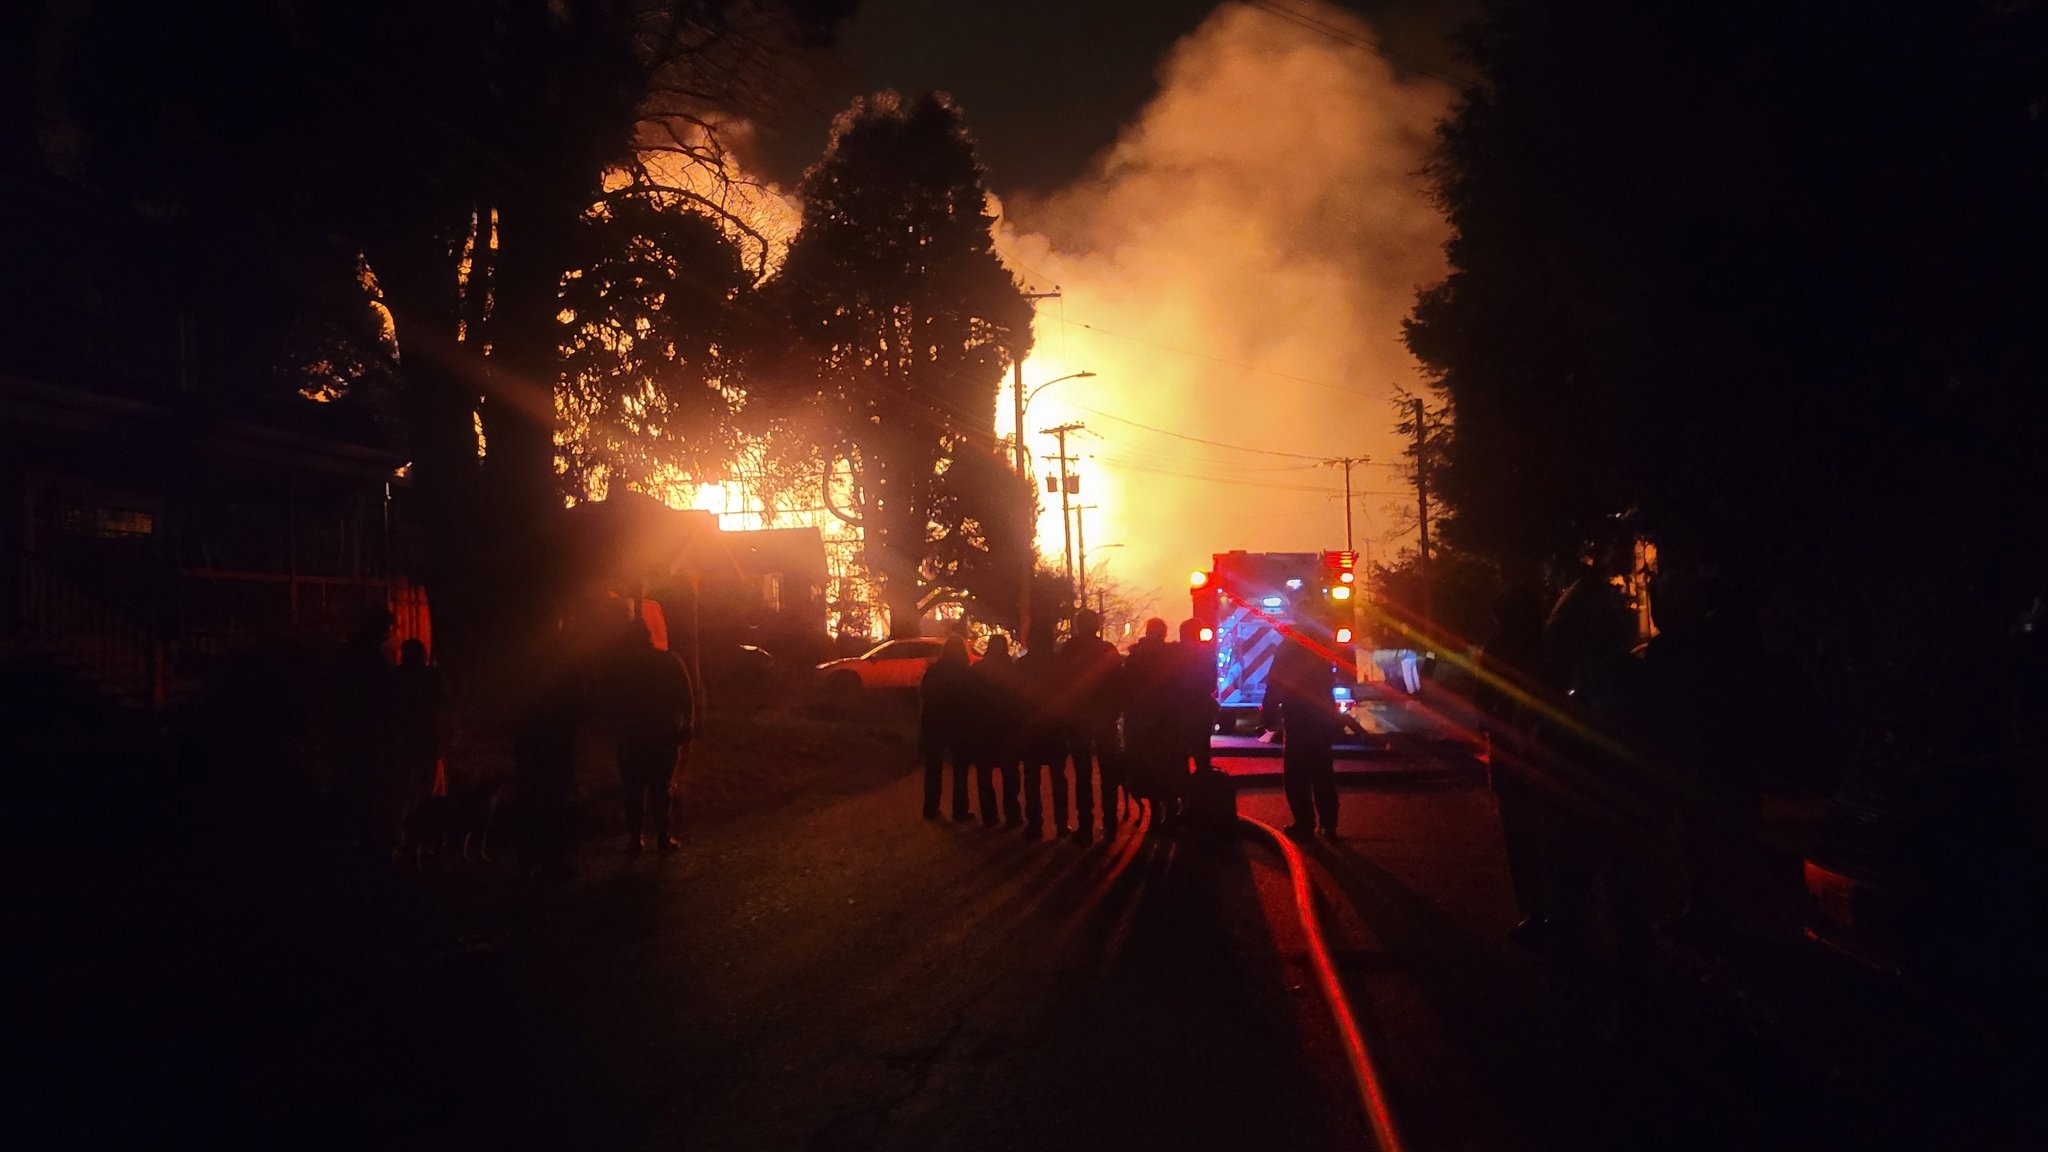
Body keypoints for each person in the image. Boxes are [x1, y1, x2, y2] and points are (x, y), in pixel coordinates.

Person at [1260, 613, 1360, 837]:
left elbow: (1276, 681)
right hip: (1320, 715)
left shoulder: (1287, 648)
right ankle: (1328, 824)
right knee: (1322, 771)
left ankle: (1304, 824)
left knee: (1296, 774)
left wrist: (1267, 713)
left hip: (1297, 717)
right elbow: (1341, 671)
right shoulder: (1320, 648)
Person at [606, 616, 695, 855]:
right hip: (662, 732)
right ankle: (663, 837)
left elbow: (608, 701)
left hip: (632, 735)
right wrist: (687, 725)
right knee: (661, 786)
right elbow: (685, 697)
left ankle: (636, 838)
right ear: (649, 637)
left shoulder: (618, 665)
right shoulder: (668, 661)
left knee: (633, 789)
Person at [514, 627, 584, 879]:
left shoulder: (522, 661)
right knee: (553, 800)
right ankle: (549, 860)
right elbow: (581, 702)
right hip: (553, 740)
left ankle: (530, 860)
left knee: (532, 799)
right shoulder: (565, 663)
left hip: (531, 741)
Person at [1054, 609, 1124, 846]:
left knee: (1082, 775)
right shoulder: (1108, 650)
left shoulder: (1069, 650)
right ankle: (1110, 826)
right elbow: (1118, 685)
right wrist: (1115, 713)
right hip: (1104, 720)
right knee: (1108, 775)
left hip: (1078, 720)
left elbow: (1062, 683)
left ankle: (1085, 827)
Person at [1119, 618, 1182, 832]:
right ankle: (1172, 811)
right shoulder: (1171, 656)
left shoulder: (1135, 657)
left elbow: (1126, 688)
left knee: (1148, 766)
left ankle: (1155, 813)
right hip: (1167, 719)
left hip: (1141, 720)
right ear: (1163, 634)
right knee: (1168, 765)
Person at [386, 638, 443, 858]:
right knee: (416, 796)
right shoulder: (427, 678)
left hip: (411, 745)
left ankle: (410, 842)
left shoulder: (398, 678)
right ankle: (411, 843)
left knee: (408, 796)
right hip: (417, 745)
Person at [1013, 623, 1068, 839]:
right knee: (1058, 777)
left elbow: (1015, 697)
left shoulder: (1022, 665)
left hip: (1031, 727)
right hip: (1055, 726)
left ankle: (1035, 824)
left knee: (1031, 777)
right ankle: (1061, 823)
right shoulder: (1060, 664)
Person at [968, 634, 1025, 828]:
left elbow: (971, 700)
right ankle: (1012, 814)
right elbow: (1019, 701)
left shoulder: (978, 670)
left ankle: (989, 815)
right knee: (1010, 773)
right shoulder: (1013, 670)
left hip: (983, 729)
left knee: (984, 774)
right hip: (1007, 729)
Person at [919, 635, 976, 821]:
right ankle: (959, 810)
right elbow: (971, 699)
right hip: (959, 724)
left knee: (933, 767)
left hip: (934, 722)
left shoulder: (934, 670)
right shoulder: (965, 672)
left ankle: (930, 808)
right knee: (960, 769)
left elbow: (924, 693)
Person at [1175, 618, 1217, 775]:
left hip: (1178, 710)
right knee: (1202, 752)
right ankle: (1203, 787)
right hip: (1201, 709)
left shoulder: (1173, 653)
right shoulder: (1206, 654)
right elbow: (1212, 684)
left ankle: (1182, 789)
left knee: (1180, 753)